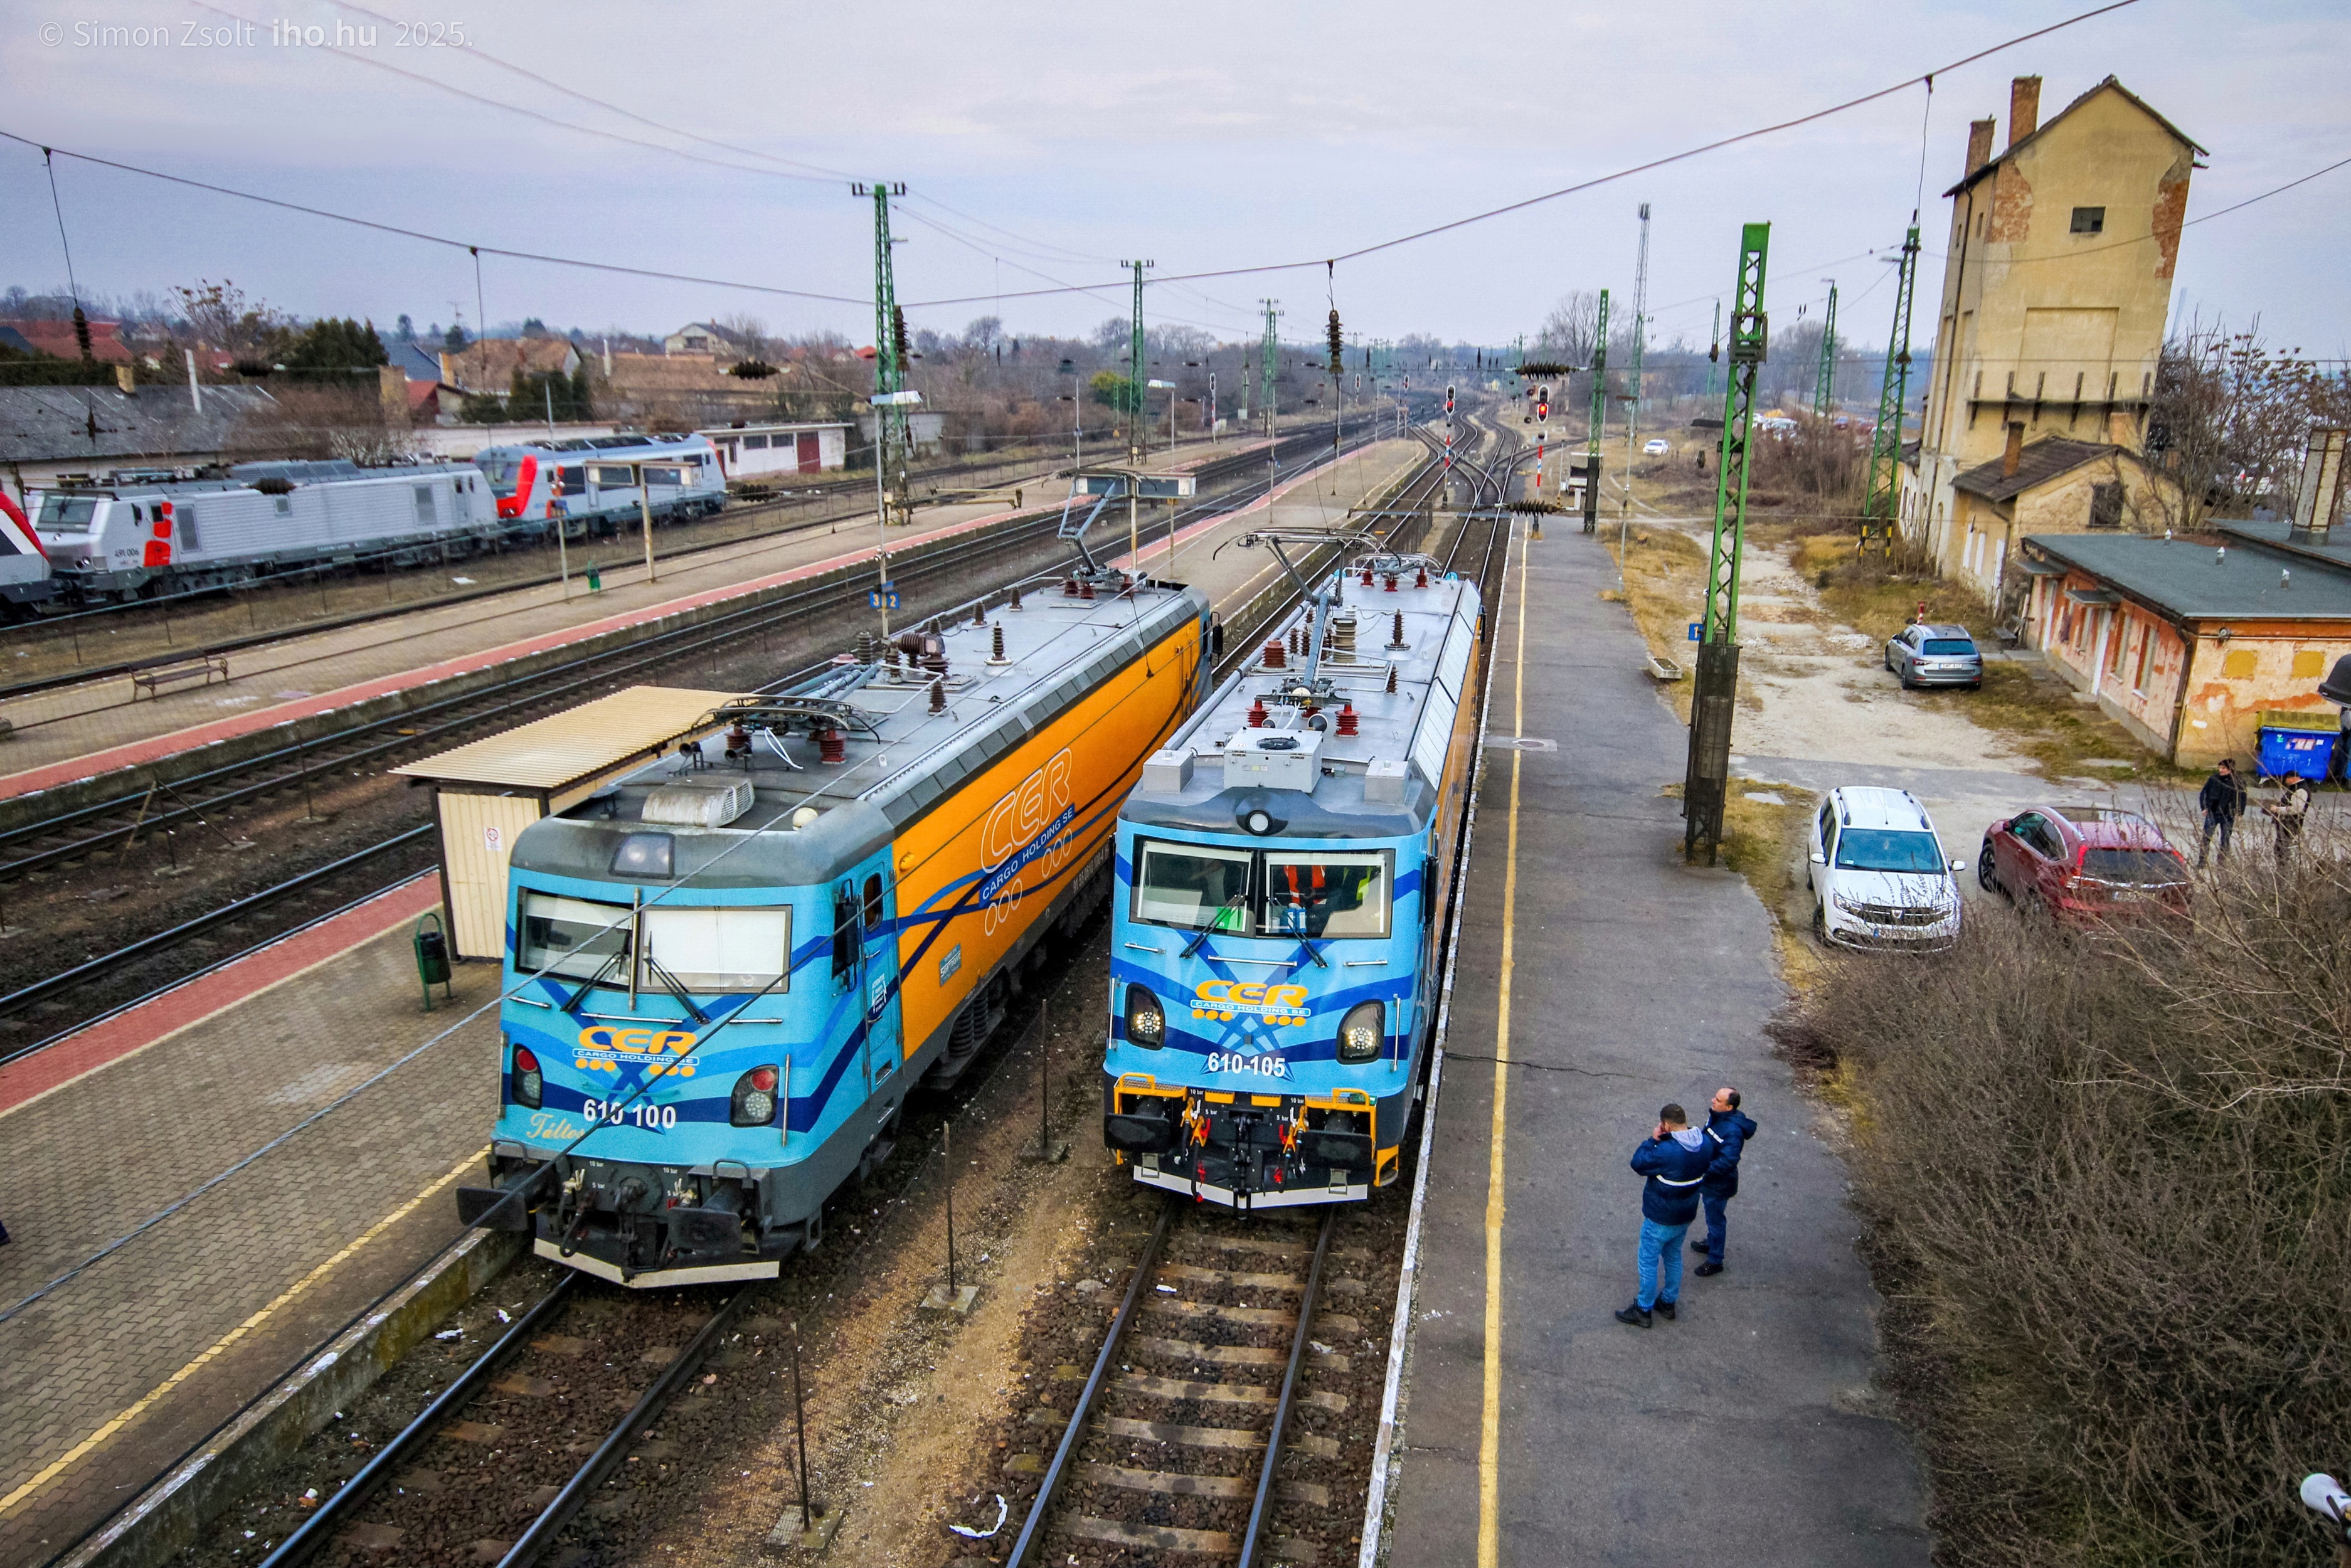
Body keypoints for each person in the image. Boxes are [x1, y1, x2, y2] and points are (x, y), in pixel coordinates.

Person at [1616, 1103, 1717, 1329]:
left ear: (1666, 1125)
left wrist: (1652, 1140)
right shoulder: (1705, 1143)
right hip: (1686, 1214)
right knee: (1673, 1257)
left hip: (1660, 1215)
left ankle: (1643, 1309)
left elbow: (1638, 1163)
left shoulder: (1666, 1151)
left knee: (1648, 1261)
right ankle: (1668, 1303)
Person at [1690, 1086, 1757, 1276]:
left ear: (1729, 1107)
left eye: (1718, 1100)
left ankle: (1715, 1260)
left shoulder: (1733, 1131)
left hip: (1718, 1184)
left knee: (1716, 1221)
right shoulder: (1717, 1117)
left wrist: (1703, 1170)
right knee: (1712, 1218)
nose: (1713, 1101)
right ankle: (1711, 1244)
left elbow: (1728, 1161)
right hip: (1711, 1181)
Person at [2197, 758, 2246, 868]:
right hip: (2213, 813)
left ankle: (2222, 864)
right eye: (2220, 767)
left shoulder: (2238, 782)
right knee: (2206, 838)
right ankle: (2202, 862)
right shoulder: (2214, 779)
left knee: (2225, 840)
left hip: (2228, 815)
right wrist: (2204, 807)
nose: (2221, 770)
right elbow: (2204, 793)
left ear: (2230, 769)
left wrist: (2240, 813)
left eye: (2223, 768)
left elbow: (2243, 798)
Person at [2264, 770, 2312, 864]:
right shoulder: (2296, 788)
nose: (2285, 782)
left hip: (2291, 824)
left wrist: (2278, 809)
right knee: (2280, 848)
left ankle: (2284, 871)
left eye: (2286, 780)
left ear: (2292, 778)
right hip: (2287, 823)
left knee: (2281, 849)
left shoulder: (2300, 790)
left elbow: (2297, 809)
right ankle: (2283, 870)